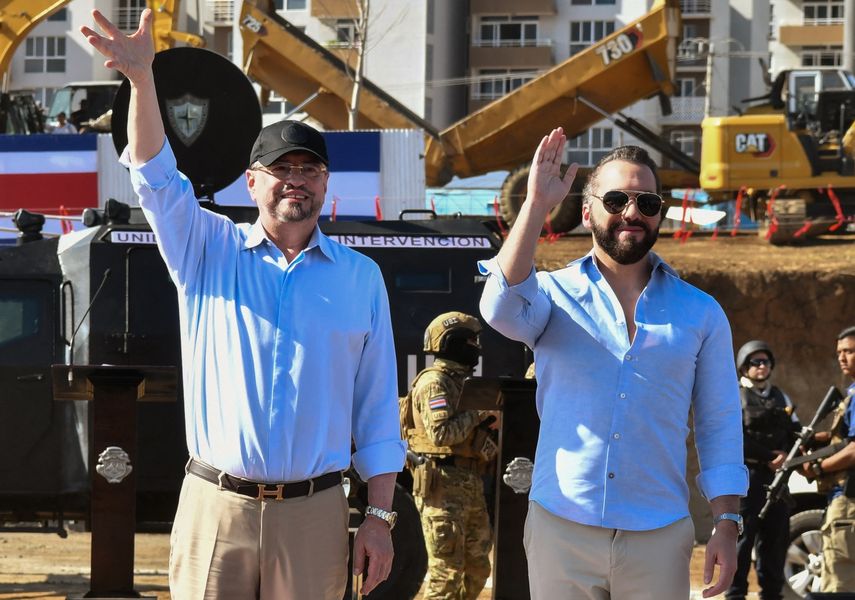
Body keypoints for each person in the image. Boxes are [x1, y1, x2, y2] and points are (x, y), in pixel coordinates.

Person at [81, 9, 405, 599]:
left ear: (327, 184)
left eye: (310, 169)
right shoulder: (206, 248)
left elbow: (379, 411)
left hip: (316, 514)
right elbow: (154, 175)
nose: (296, 180)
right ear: (251, 182)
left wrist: (379, 518)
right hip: (217, 508)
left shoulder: (362, 279)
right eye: (280, 169)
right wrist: (143, 81)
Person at [478, 129, 749, 600]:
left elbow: (719, 422)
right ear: (586, 211)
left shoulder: (700, 312)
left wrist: (727, 520)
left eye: (647, 203)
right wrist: (537, 203)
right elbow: (500, 307)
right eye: (618, 198)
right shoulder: (551, 294)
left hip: (659, 536)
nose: (632, 213)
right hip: (561, 527)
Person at [401, 311, 497, 600]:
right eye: (471, 341)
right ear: (452, 342)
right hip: (442, 487)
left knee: (478, 569)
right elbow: (441, 435)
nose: (477, 347)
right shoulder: (435, 382)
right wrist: (479, 411)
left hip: (470, 484)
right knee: (446, 574)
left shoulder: (461, 383)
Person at [726, 341, 800, 600]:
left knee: (775, 540)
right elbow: (733, 436)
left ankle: (772, 594)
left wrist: (792, 454)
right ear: (744, 366)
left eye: (765, 362)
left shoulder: (782, 397)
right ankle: (735, 594)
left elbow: (795, 434)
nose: (761, 366)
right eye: (755, 362)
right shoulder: (735, 395)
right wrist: (769, 456)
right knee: (742, 541)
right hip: (749, 477)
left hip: (777, 479)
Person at [805, 325, 855, 593]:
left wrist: (817, 467)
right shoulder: (851, 395)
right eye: (839, 352)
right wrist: (823, 440)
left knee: (840, 585)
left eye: (849, 351)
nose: (842, 358)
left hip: (849, 501)